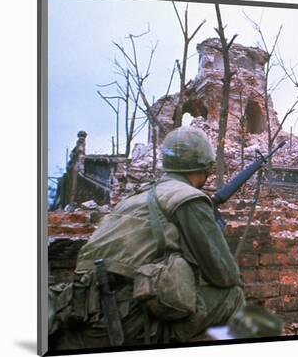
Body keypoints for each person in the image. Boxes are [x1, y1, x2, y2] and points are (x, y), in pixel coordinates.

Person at [50, 126, 245, 350]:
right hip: (121, 322)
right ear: (205, 166)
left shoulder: (137, 195)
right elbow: (225, 275)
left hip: (81, 314)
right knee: (233, 295)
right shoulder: (188, 197)